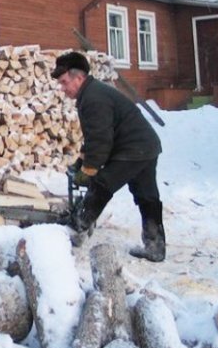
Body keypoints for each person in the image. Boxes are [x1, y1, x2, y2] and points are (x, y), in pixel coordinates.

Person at [51, 51, 166, 262]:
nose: (63, 88)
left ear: (79, 77)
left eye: (65, 82)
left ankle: (77, 228)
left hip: (132, 148)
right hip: (144, 146)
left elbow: (101, 140)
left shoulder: (93, 98)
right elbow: (95, 136)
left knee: (102, 184)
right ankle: (155, 246)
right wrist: (82, 161)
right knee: (146, 195)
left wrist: (88, 171)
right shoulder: (92, 93)